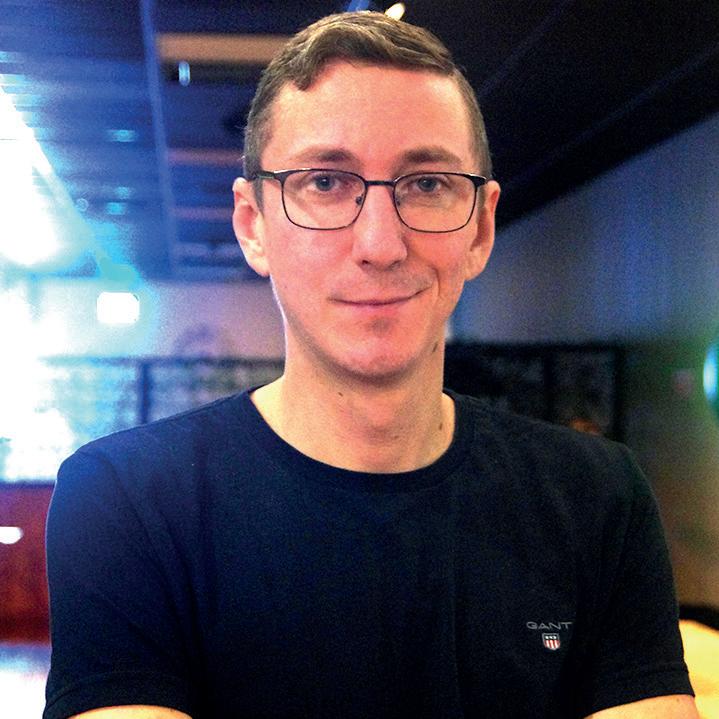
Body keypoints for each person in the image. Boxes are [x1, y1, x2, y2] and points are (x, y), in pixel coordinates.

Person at [43, 11, 698, 719]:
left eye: (427, 184)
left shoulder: (597, 498)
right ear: (253, 225)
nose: (380, 244)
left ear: (480, 228)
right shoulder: (125, 500)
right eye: (325, 182)